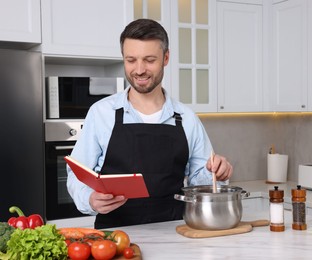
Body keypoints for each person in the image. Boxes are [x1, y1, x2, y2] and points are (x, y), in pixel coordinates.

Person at [67, 18, 233, 229]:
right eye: (131, 60)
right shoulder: (101, 113)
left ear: (166, 58)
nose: (139, 70)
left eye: (149, 60)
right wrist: (90, 198)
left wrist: (216, 172)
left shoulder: (187, 118)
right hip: (115, 237)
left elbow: (200, 184)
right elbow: (77, 174)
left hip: (176, 232)